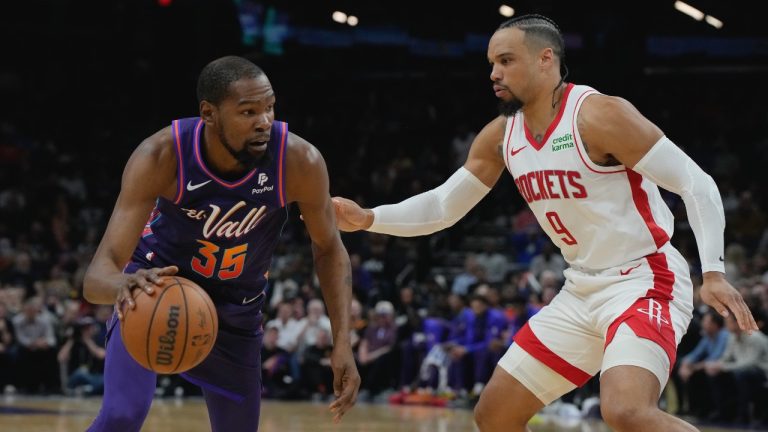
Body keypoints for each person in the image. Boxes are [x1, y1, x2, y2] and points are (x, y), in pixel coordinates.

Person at [332, 14, 758, 432]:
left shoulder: (598, 115)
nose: (494, 74)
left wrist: (714, 273)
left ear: (545, 59)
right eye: (492, 64)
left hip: (645, 279)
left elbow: (696, 183)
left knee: (626, 411)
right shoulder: (501, 135)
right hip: (580, 289)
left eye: (506, 61)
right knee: (495, 415)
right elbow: (445, 205)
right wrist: (369, 218)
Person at [82, 56, 359, 432]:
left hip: (236, 312)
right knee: (121, 415)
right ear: (209, 114)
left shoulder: (299, 161)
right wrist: (124, 284)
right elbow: (97, 277)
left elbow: (328, 248)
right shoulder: (162, 155)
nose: (264, 121)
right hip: (155, 294)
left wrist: (342, 339)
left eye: (269, 107)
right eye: (248, 111)